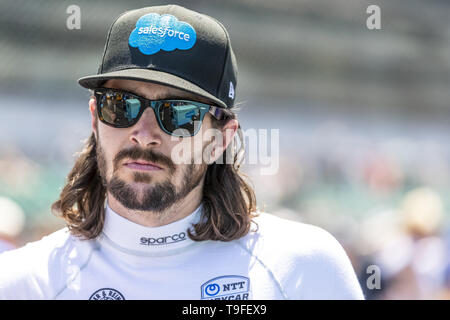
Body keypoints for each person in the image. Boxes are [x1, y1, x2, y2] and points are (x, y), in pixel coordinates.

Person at [0, 4, 364, 300]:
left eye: (179, 114)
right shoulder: (23, 283)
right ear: (96, 119)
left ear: (220, 139)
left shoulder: (303, 267)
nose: (143, 135)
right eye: (120, 105)